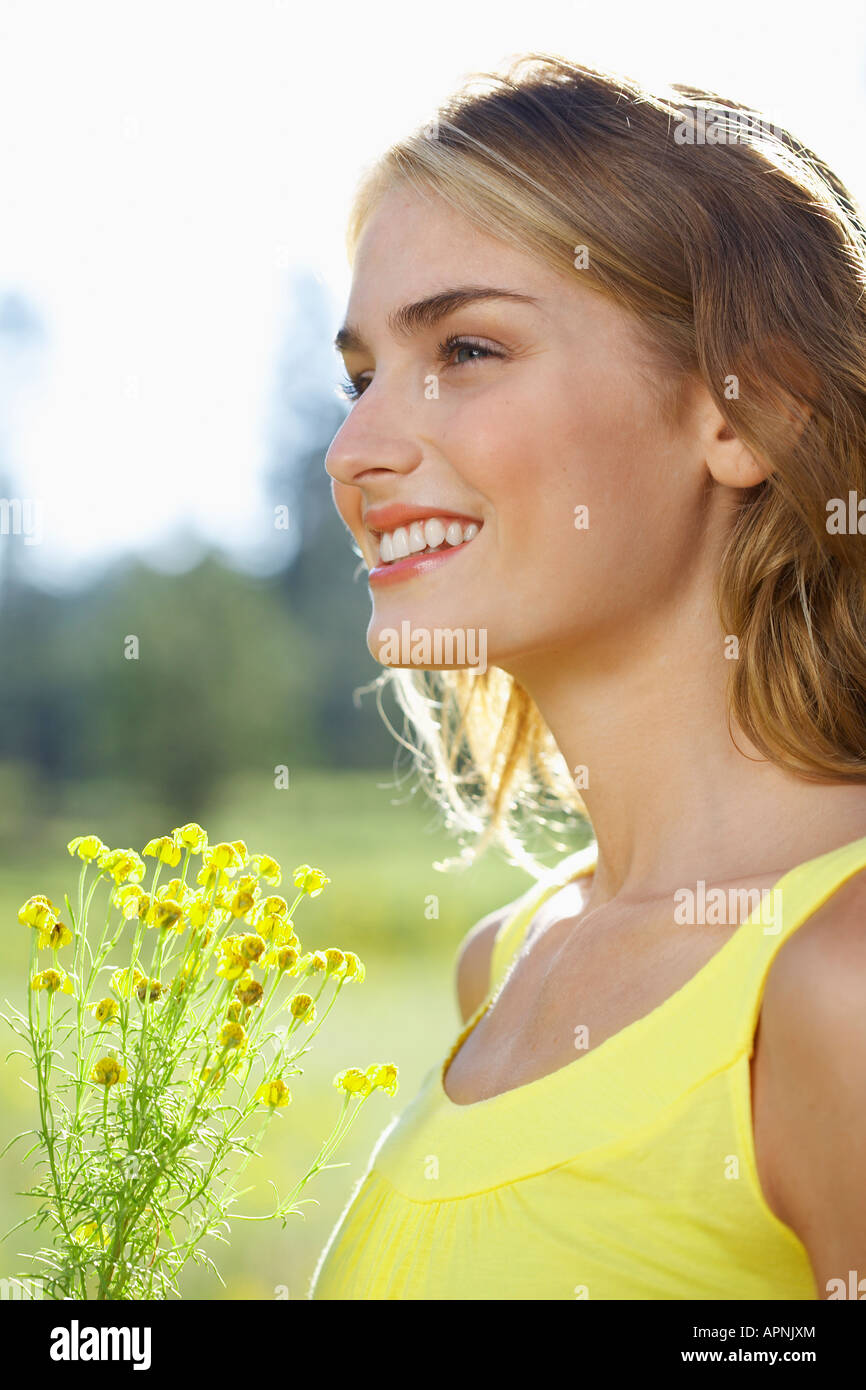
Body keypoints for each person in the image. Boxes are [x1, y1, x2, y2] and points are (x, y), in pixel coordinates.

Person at [311, 54, 866, 1299]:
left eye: (464, 346)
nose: (354, 451)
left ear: (743, 411)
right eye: (357, 379)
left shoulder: (839, 988)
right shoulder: (507, 958)